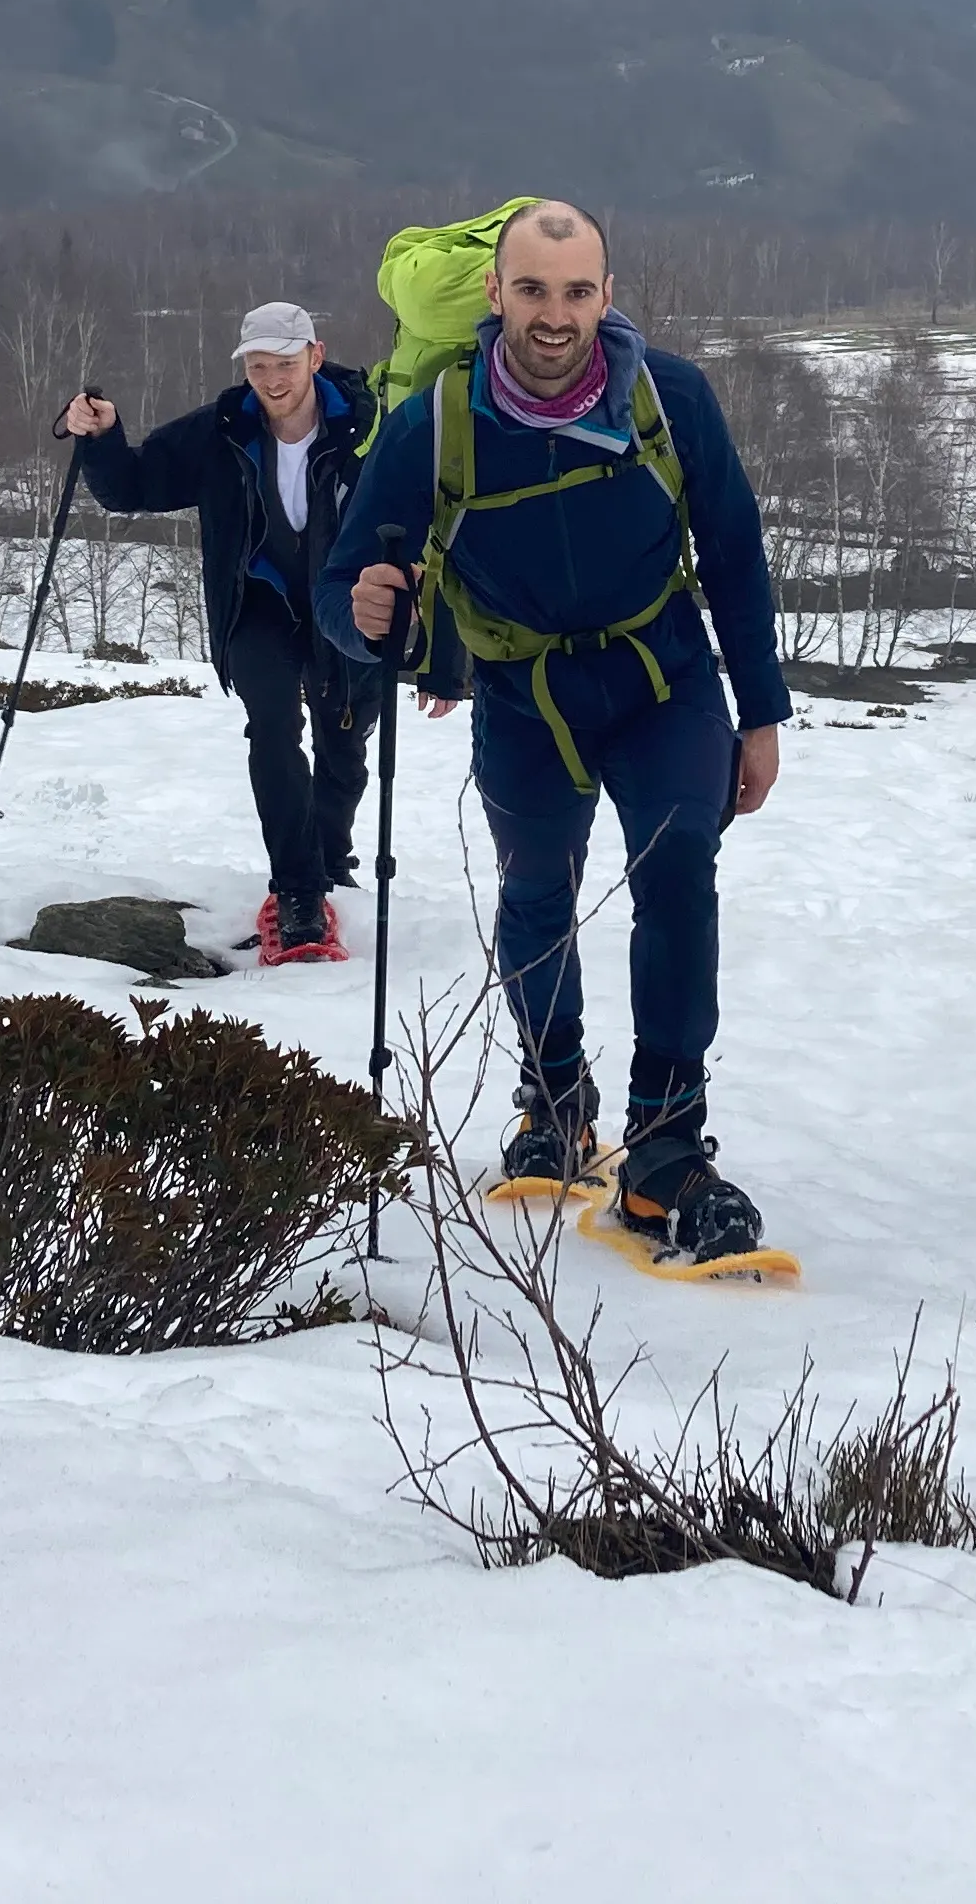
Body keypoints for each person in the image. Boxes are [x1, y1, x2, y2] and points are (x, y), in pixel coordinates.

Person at [320, 200, 790, 1265]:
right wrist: (362, 614)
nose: (554, 315)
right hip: (524, 692)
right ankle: (554, 1095)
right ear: (495, 295)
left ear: (607, 297)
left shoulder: (672, 398)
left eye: (577, 292)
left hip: (660, 678)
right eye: (531, 290)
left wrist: (760, 712)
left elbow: (733, 553)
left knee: (678, 872)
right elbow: (344, 581)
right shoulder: (436, 420)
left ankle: (667, 1144)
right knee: (538, 894)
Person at [63, 301, 380, 968]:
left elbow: (426, 515)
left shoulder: (367, 423)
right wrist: (103, 437)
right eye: (258, 365)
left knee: (343, 737)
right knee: (272, 727)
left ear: (315, 357)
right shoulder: (223, 429)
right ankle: (298, 889)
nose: (271, 379)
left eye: (285, 364)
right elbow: (133, 486)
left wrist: (446, 658)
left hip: (343, 604)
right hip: (256, 605)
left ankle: (328, 862)